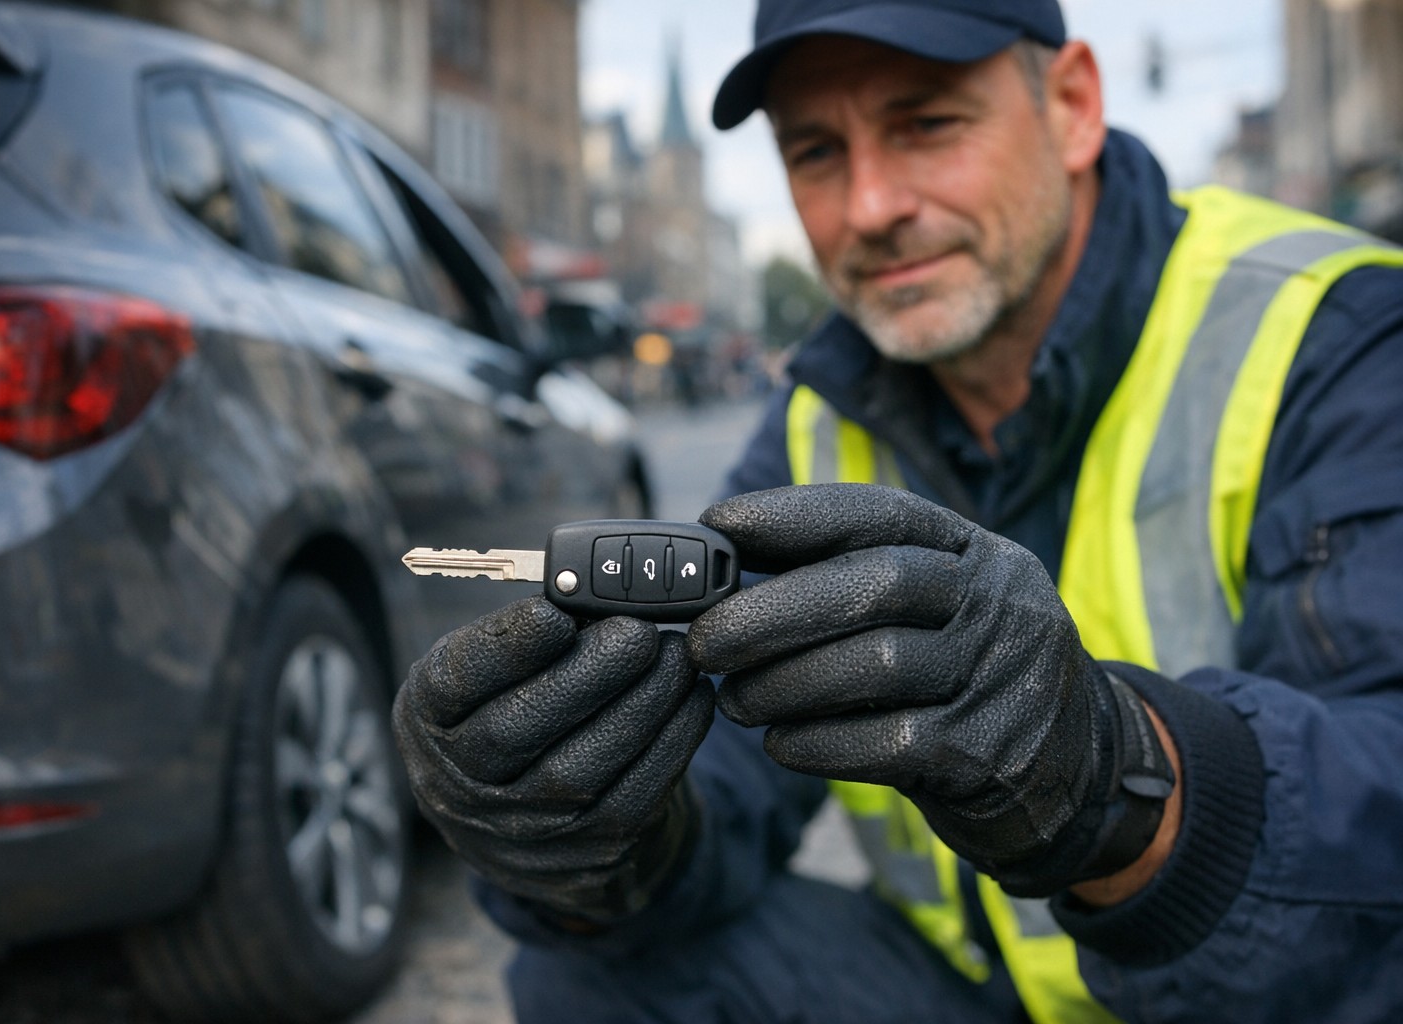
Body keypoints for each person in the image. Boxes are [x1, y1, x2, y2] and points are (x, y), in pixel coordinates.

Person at [393, 1, 1403, 1020]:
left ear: (1072, 105)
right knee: (590, 959)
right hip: (981, 992)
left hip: (1258, 991)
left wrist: (1119, 778)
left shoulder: (1336, 334)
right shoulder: (813, 421)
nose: (870, 204)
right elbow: (726, 782)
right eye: (817, 150)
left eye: (927, 123)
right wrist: (593, 841)